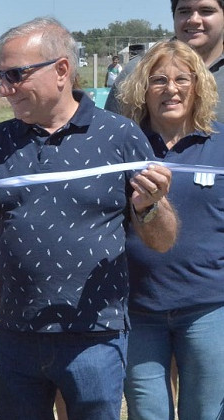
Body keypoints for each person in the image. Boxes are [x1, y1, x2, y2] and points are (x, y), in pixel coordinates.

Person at [0, 17, 178, 419]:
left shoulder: (119, 136)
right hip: (18, 334)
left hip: (95, 334)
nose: (4, 88)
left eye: (15, 75)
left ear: (61, 71)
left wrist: (151, 207)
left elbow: (161, 240)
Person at [117, 40, 224, 420]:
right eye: (158, 80)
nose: (171, 89)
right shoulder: (124, 147)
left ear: (199, 86)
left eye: (182, 79)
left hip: (208, 308)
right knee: (147, 413)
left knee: (206, 412)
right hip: (139, 308)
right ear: (142, 88)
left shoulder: (220, 144)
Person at [106, 0, 224, 120]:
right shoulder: (136, 71)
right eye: (184, 11)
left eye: (206, 11)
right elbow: (110, 134)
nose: (194, 20)